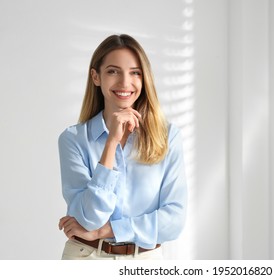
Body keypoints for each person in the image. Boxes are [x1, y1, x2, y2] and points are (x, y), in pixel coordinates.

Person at [57, 34, 187, 260]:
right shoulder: (73, 139)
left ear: (144, 78)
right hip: (86, 258)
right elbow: (89, 218)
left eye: (135, 72)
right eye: (113, 71)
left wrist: (107, 231)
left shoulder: (168, 136)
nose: (125, 83)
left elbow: (174, 220)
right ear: (96, 77)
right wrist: (111, 143)